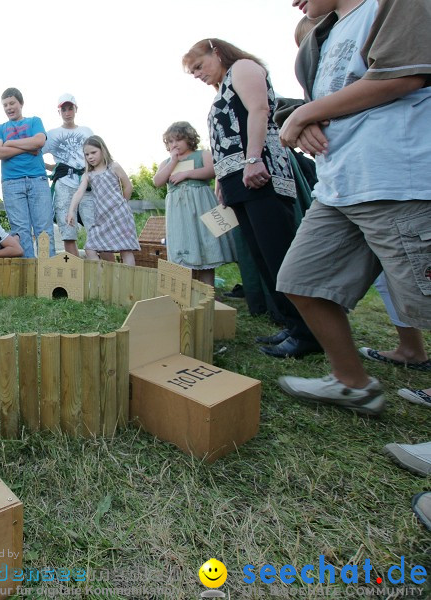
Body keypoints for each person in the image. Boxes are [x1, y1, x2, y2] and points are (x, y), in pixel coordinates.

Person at [274, 0, 431, 415]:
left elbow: (405, 75)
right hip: (338, 185)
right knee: (301, 280)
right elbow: (331, 96)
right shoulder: (322, 33)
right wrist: (302, 116)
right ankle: (353, 383)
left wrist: (307, 112)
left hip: (393, 177)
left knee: (424, 298)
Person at [183, 37, 320, 360]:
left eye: (199, 66)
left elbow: (259, 110)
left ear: (216, 51)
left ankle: (309, 331)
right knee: (262, 256)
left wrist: (253, 159)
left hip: (261, 175)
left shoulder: (243, 68)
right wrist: (222, 180)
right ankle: (291, 324)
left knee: (278, 252)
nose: (198, 75)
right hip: (237, 181)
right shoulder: (221, 89)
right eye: (193, 73)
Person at [153, 121, 235, 286]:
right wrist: (173, 162)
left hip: (201, 205)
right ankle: (186, 290)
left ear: (189, 139)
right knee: (183, 242)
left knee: (205, 241)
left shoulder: (202, 155)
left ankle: (208, 290)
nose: (174, 145)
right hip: (178, 212)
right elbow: (157, 181)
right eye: (170, 142)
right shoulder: (166, 163)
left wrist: (186, 174)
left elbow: (212, 171)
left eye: (178, 140)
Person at [0, 87, 54, 258]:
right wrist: (29, 148)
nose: (8, 107)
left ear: (21, 103)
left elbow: (39, 141)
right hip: (12, 183)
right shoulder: (0, 128)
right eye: (5, 105)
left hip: (38, 179)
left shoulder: (34, 121)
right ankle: (28, 276)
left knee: (44, 230)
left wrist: (10, 144)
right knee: (20, 231)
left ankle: (47, 276)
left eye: (12, 103)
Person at [66, 136, 139, 264]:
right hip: (102, 218)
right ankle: (101, 280)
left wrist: (123, 204)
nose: (90, 157)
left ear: (103, 150)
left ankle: (128, 283)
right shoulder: (88, 175)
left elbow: (128, 186)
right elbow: (79, 193)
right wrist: (71, 210)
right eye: (87, 154)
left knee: (126, 249)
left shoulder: (113, 167)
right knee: (90, 248)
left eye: (93, 152)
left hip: (120, 216)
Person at [42, 93, 94, 258]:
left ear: (75, 109)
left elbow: (97, 154)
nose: (67, 112)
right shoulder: (51, 134)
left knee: (94, 227)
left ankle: (99, 270)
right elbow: (36, 155)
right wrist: (55, 168)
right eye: (63, 109)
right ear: (59, 112)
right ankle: (76, 272)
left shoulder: (86, 131)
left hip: (86, 183)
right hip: (64, 185)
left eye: (70, 108)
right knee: (68, 231)